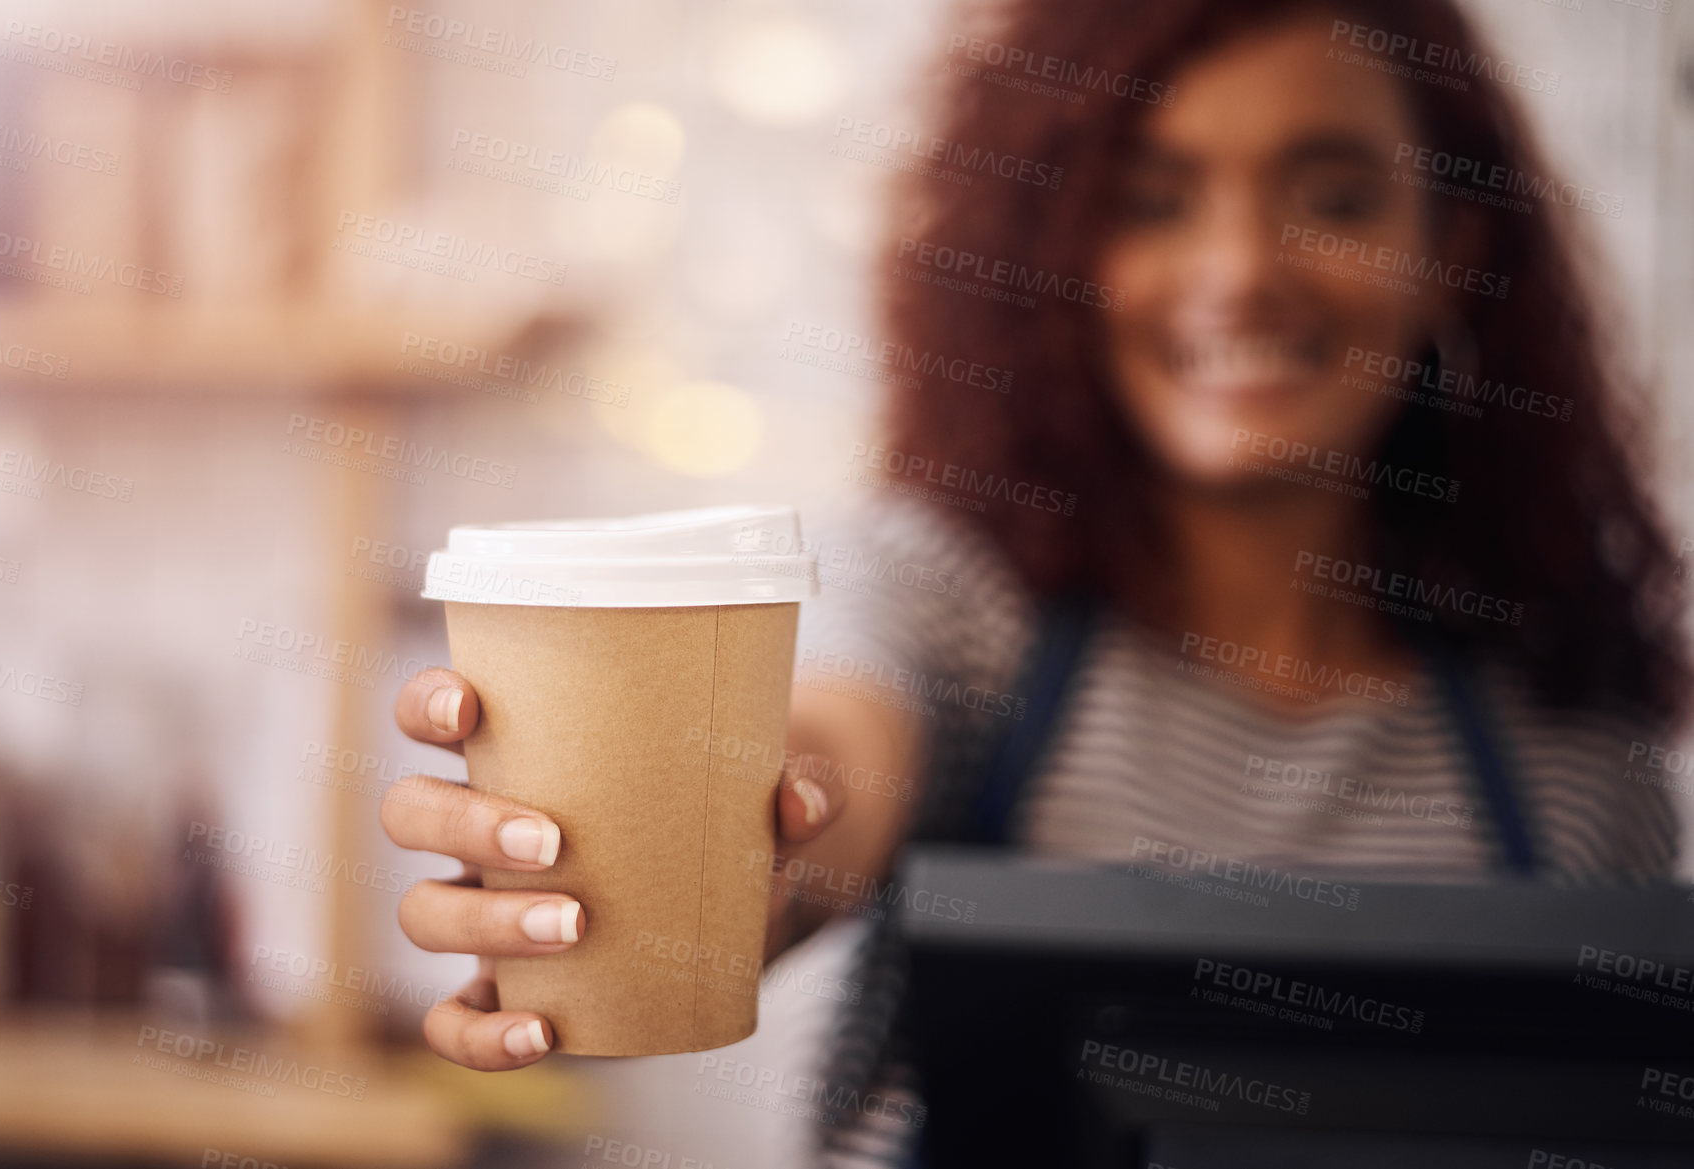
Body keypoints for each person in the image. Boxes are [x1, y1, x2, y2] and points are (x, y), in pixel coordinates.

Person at [380, 0, 1688, 1159]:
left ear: (1450, 241)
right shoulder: (959, 611)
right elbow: (829, 762)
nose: (1239, 272)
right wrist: (681, 857)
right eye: (1151, 198)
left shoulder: (1575, 753)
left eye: (1332, 195)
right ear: (1052, 247)